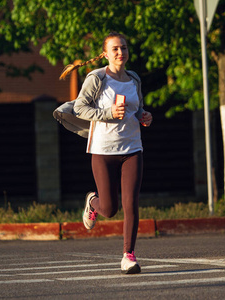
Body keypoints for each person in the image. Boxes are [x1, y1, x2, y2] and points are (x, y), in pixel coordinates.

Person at [55, 32, 152, 274]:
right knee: (110, 209)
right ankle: (92, 202)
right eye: (116, 49)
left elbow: (137, 108)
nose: (121, 52)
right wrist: (108, 113)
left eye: (124, 48)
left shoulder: (134, 79)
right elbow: (80, 108)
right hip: (102, 150)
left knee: (131, 203)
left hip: (132, 148)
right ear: (106, 54)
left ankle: (128, 256)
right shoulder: (96, 78)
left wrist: (144, 116)